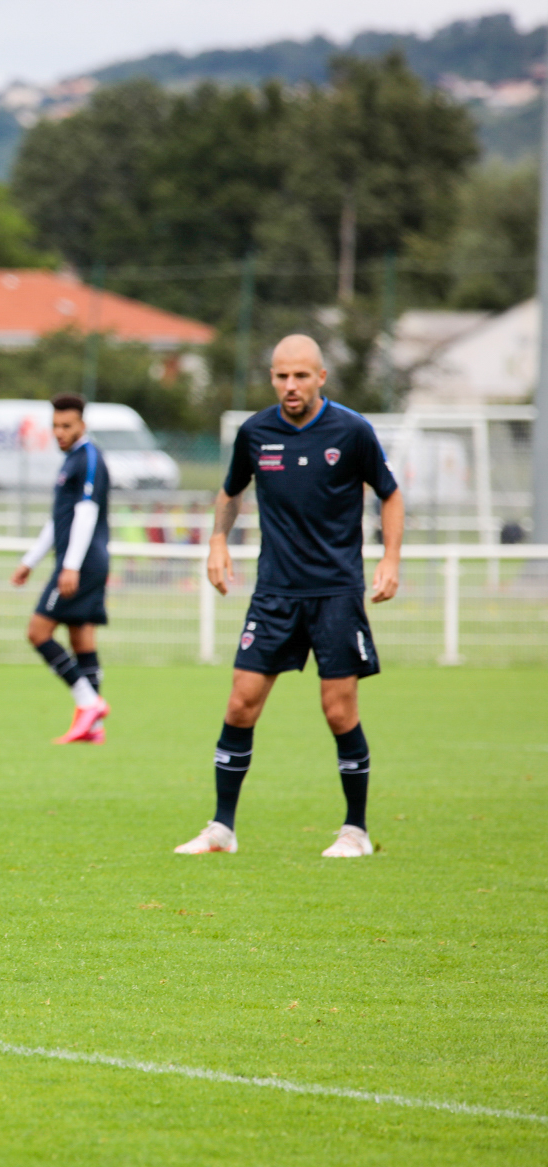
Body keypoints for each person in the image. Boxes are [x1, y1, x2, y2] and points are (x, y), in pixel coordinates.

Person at [175, 334, 403, 858]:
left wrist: (389, 559)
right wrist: (216, 541)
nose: (290, 385)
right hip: (274, 594)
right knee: (240, 703)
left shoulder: (351, 430)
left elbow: (390, 495)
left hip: (335, 594)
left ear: (321, 377)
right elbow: (231, 491)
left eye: (301, 375)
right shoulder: (256, 432)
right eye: (281, 375)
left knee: (339, 711)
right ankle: (222, 828)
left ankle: (356, 831)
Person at [12, 393, 111, 744]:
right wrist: (30, 561)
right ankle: (92, 729)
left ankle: (89, 704)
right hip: (81, 561)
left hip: (82, 562)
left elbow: (86, 513)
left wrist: (69, 566)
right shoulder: (71, 460)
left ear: (83, 425)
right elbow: (60, 521)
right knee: (80, 635)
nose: (60, 432)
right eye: (55, 426)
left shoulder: (89, 458)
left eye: (67, 425)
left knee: (38, 632)